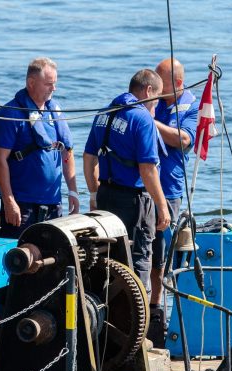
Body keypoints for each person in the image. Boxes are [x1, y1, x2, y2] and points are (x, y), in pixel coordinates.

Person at [83, 69, 171, 293]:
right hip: (134, 203)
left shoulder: (104, 113)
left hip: (106, 197)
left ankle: (104, 314)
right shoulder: (142, 119)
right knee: (139, 258)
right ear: (148, 91)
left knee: (107, 255)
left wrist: (93, 194)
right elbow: (148, 169)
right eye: (157, 99)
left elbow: (89, 157)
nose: (156, 107)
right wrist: (162, 206)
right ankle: (138, 319)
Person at [0, 57, 78, 239]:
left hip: (53, 203)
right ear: (31, 82)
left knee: (52, 258)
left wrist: (73, 190)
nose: (53, 89)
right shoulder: (11, 114)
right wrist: (8, 201)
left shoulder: (54, 110)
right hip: (22, 204)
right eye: (48, 84)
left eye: (54, 84)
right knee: (18, 259)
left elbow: (67, 151)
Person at [148, 58, 198, 345]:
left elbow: (184, 139)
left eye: (161, 81)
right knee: (145, 254)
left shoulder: (188, 104)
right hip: (141, 187)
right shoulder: (153, 99)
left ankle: (159, 313)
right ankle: (146, 310)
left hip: (169, 190)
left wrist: (150, 121)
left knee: (162, 255)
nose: (155, 86)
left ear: (177, 83)